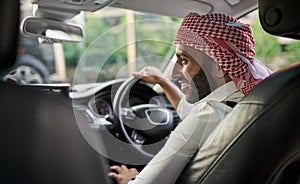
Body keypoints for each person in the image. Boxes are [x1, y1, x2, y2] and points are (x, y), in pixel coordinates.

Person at [108, 12, 273, 184]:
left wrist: (129, 180)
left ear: (219, 67)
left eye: (184, 61)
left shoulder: (207, 115)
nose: (173, 74)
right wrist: (162, 82)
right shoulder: (254, 100)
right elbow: (196, 115)